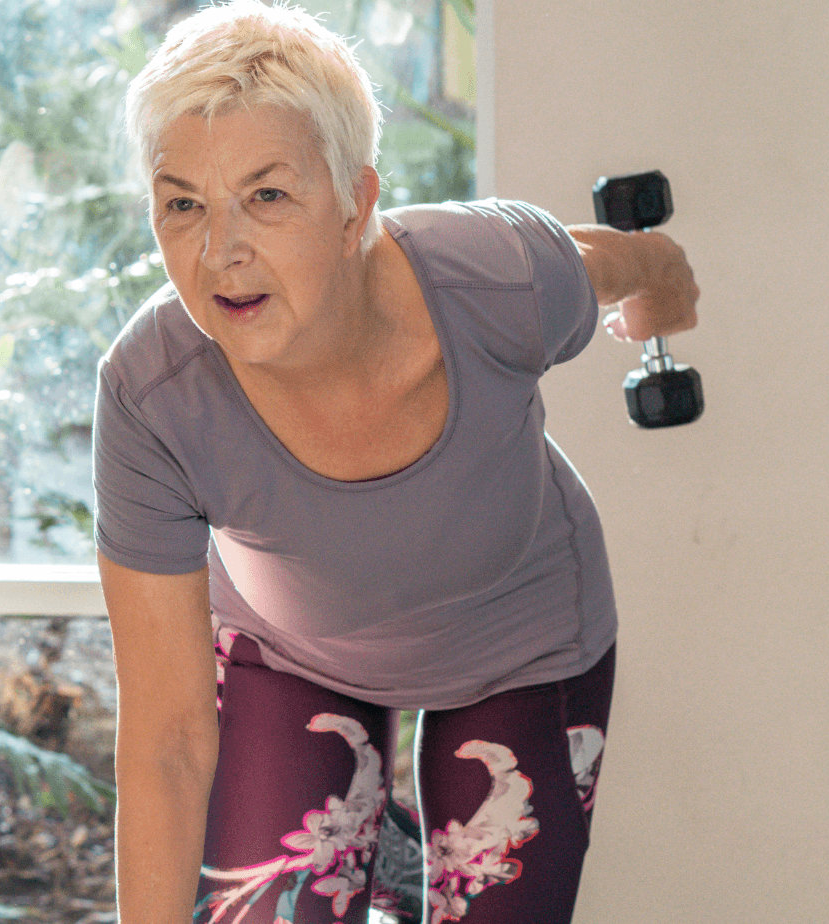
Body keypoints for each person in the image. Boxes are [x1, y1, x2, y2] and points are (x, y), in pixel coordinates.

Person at [91, 2, 699, 923]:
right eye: (183, 204)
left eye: (268, 195)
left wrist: (663, 287)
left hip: (520, 643)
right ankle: (380, 851)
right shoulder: (152, 394)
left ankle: (404, 857)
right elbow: (169, 741)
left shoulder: (497, 278)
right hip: (290, 650)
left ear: (355, 206)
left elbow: (622, 262)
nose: (221, 252)